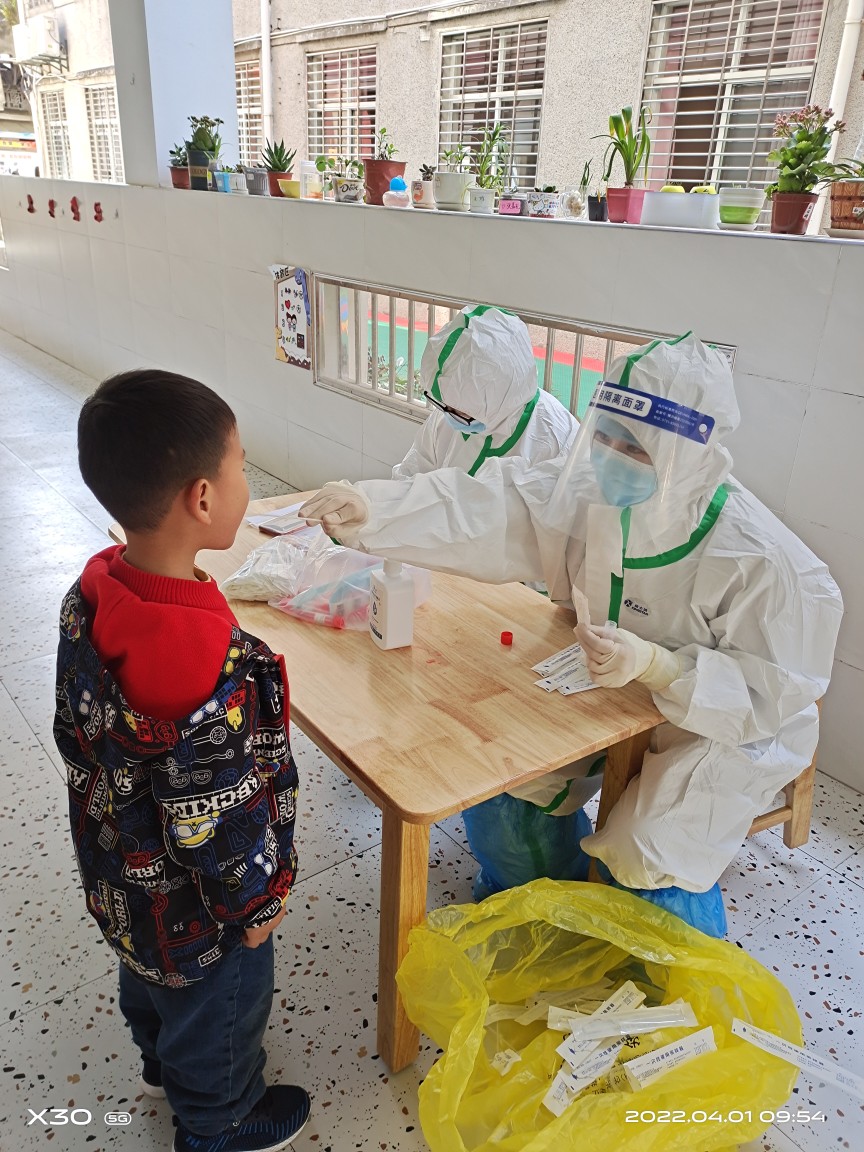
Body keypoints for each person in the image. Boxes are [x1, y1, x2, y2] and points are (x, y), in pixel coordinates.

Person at [299, 333, 843, 937]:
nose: (610, 457)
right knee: (512, 783)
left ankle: (655, 975)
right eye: (603, 436)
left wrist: (661, 667)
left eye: (633, 448)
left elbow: (772, 693)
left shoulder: (764, 562)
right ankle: (545, 917)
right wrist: (376, 509)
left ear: (689, 453)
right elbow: (491, 507)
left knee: (648, 856)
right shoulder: (590, 491)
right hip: (599, 675)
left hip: (722, 724)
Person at [54, 371, 311, 1152]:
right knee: (220, 999)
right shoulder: (196, 660)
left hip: (121, 869)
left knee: (149, 972)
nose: (245, 481)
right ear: (202, 498)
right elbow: (216, 820)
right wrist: (255, 906)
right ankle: (218, 1120)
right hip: (202, 908)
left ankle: (157, 1065)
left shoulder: (98, 586)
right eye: (241, 466)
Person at [391, 305, 577, 481]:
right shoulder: (447, 415)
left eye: (461, 412)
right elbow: (409, 474)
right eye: (443, 405)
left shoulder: (557, 442)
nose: (449, 415)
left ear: (499, 402)